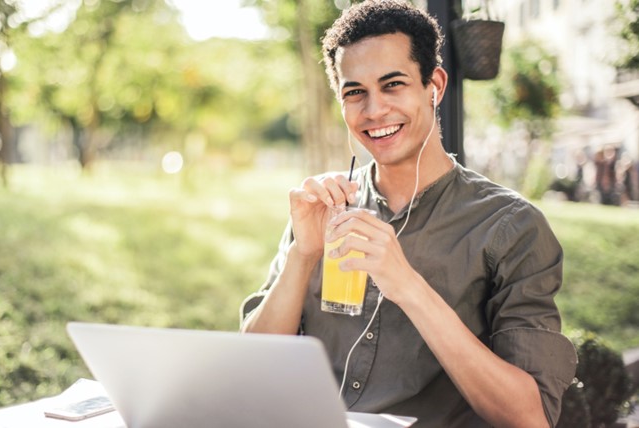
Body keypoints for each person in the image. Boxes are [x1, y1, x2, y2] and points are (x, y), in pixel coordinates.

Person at [239, 1, 577, 427]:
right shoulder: (322, 209)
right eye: (354, 92)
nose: (374, 110)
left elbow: (530, 417)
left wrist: (408, 286)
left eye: (392, 84)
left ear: (433, 85)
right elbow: (249, 371)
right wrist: (302, 257)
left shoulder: (511, 227)